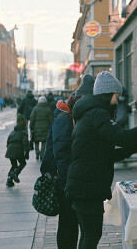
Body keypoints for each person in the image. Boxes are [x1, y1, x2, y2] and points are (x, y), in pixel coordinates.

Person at [65, 71, 137, 249]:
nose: (118, 100)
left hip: (84, 185)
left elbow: (103, 155)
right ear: (107, 94)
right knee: (91, 236)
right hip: (87, 187)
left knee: (88, 236)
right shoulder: (98, 114)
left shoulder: (90, 113)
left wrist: (128, 151)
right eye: (116, 95)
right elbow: (121, 137)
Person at [40, 74, 95, 249]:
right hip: (65, 181)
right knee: (67, 224)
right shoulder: (65, 119)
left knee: (72, 223)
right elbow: (62, 154)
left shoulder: (72, 117)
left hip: (70, 180)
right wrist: (67, 182)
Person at [5, 113, 30, 187]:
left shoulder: (13, 132)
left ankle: (9, 180)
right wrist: (27, 153)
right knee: (23, 163)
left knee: (14, 165)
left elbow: (8, 142)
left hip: (10, 151)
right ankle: (15, 173)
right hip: (18, 151)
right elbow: (26, 144)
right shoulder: (23, 132)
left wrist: (9, 149)